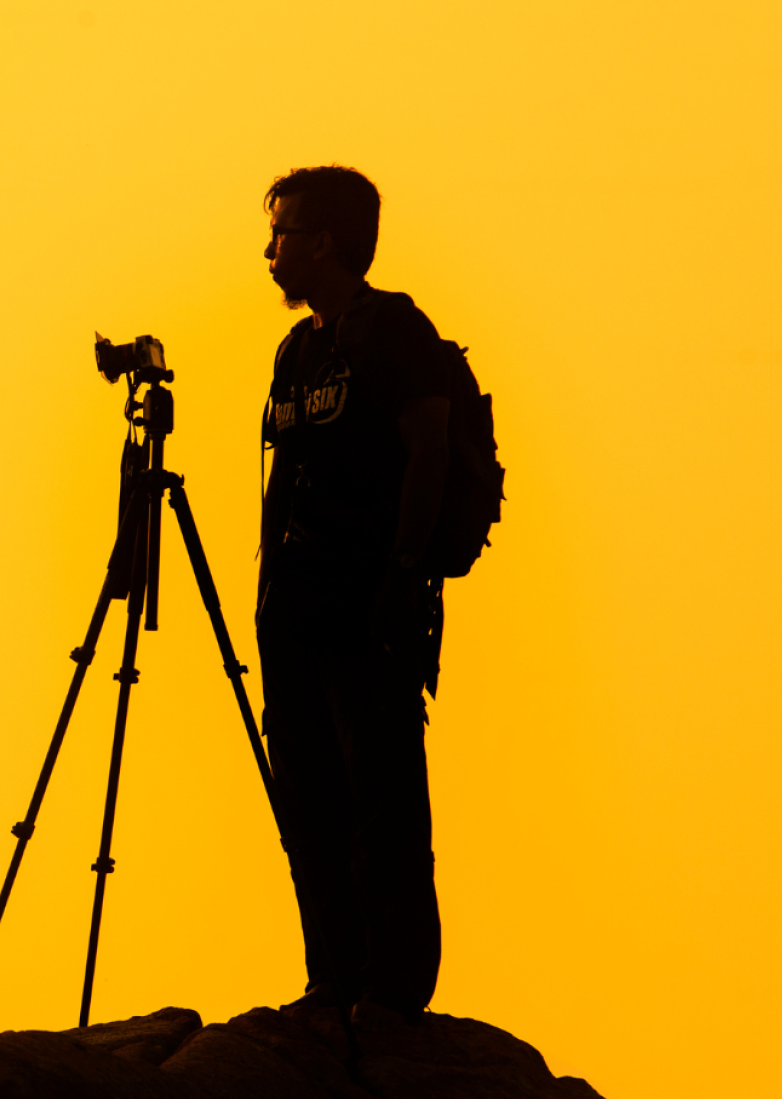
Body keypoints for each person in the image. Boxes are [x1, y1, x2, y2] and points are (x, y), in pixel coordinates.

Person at [256, 166, 449, 1029]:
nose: (270, 251)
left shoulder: (393, 330)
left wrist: (404, 578)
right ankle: (331, 975)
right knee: (308, 799)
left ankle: (393, 988)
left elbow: (431, 450)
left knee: (381, 796)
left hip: (368, 599)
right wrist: (267, 598)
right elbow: (284, 478)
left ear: (325, 241)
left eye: (283, 233)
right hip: (296, 609)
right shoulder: (298, 353)